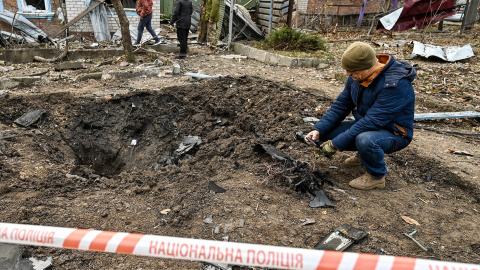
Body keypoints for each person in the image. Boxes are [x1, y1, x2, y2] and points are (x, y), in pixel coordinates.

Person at [305, 42, 416, 190]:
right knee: (328, 132)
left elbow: (372, 121)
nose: (347, 74)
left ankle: (376, 176)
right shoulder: (357, 76)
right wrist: (319, 129)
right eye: (346, 70)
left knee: (366, 140)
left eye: (351, 70)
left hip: (394, 132)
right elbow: (341, 105)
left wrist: (335, 144)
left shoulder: (395, 85)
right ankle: (363, 157)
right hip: (368, 125)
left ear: (368, 66)